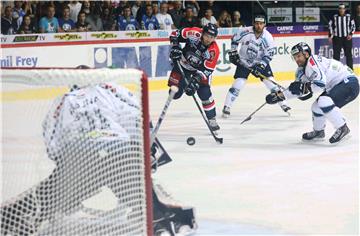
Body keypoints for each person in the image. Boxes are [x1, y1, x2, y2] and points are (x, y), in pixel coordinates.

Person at [0, 73, 197, 235]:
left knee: (54, 192)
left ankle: (18, 215)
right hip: (118, 151)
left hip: (80, 157)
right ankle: (157, 216)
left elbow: (52, 138)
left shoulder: (64, 100)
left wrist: (63, 168)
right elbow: (136, 116)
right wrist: (146, 150)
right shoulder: (108, 90)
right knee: (139, 185)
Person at [265, 42, 359, 144]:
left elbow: (320, 84)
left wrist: (303, 87)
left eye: (299, 56)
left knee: (324, 101)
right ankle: (319, 132)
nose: (297, 59)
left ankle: (342, 127)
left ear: (306, 54)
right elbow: (298, 90)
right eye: (295, 57)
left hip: (349, 83)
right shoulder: (300, 71)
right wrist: (280, 96)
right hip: (336, 85)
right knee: (316, 107)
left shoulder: (312, 62)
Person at [223, 15, 290, 118]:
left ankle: (284, 104)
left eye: (261, 23)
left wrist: (261, 66)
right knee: (238, 84)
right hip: (244, 61)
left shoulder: (268, 37)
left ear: (264, 24)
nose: (259, 25)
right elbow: (234, 39)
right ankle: (227, 106)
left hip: (259, 61)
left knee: (271, 83)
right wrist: (233, 52)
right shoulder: (245, 31)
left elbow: (269, 55)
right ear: (254, 23)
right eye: (257, 23)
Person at [168, 23, 221, 131]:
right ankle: (182, 86)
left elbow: (207, 70)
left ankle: (212, 118)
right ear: (202, 33)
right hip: (183, 65)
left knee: (205, 93)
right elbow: (175, 34)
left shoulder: (213, 50)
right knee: (174, 94)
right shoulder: (194, 33)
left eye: (212, 37)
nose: (208, 39)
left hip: (199, 70)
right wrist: (175, 47)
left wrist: (195, 81)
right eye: (207, 35)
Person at [328, 3, 356, 69]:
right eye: (340, 8)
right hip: (337, 38)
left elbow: (353, 26)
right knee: (336, 56)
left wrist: (351, 34)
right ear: (338, 9)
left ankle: (350, 70)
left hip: (347, 38)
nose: (341, 10)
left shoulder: (349, 16)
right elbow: (330, 26)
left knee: (349, 55)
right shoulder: (334, 17)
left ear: (345, 9)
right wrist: (330, 36)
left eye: (343, 8)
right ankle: (335, 71)